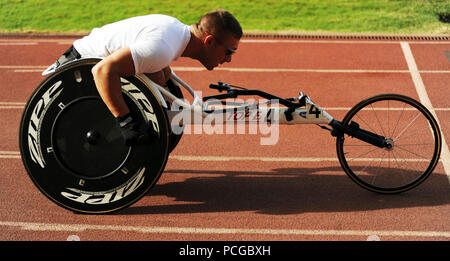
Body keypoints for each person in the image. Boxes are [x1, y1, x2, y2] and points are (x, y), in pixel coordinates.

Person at [50, 9, 243, 145]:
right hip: (78, 67)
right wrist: (126, 121)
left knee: (161, 75)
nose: (229, 60)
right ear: (209, 41)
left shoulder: (174, 32)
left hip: (87, 58)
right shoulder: (162, 48)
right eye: (229, 51)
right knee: (153, 82)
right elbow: (102, 71)